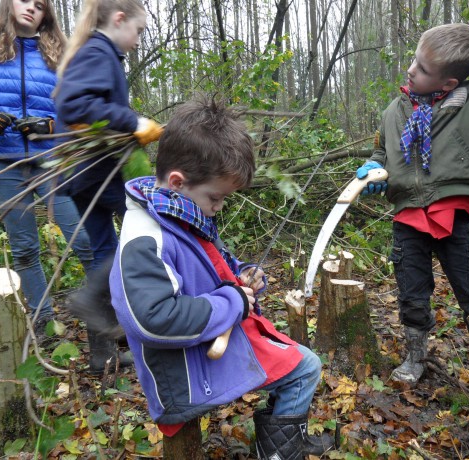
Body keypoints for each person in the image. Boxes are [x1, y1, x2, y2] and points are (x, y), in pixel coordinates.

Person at [109, 97, 334, 458]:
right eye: (216, 198)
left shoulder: (180, 211)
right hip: (186, 371)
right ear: (178, 181)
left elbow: (213, 264)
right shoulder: (146, 235)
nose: (219, 207)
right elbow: (153, 320)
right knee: (306, 368)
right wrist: (233, 300)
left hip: (208, 346)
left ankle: (282, 440)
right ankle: (279, 452)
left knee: (300, 362)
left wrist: (242, 273)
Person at [356, 24, 469, 390]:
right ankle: (416, 355)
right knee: (411, 292)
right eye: (415, 60)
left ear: (448, 83)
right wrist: (374, 169)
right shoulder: (394, 110)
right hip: (408, 216)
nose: (412, 70)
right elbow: (381, 152)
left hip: (454, 213)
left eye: (424, 68)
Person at [0, 0, 94, 336]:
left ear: (47, 14)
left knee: (86, 240)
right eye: (25, 0)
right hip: (3, 164)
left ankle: (107, 320)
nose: (31, 8)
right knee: (25, 248)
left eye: (40, 5)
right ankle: (44, 325)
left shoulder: (62, 56)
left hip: (52, 161)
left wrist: (51, 126)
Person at [53, 0, 163, 372]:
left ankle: (103, 356)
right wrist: (132, 121)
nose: (137, 40)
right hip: (97, 172)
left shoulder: (94, 52)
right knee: (145, 235)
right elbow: (74, 105)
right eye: (139, 30)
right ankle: (89, 300)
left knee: (105, 252)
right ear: (119, 19)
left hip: (84, 174)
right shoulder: (99, 52)